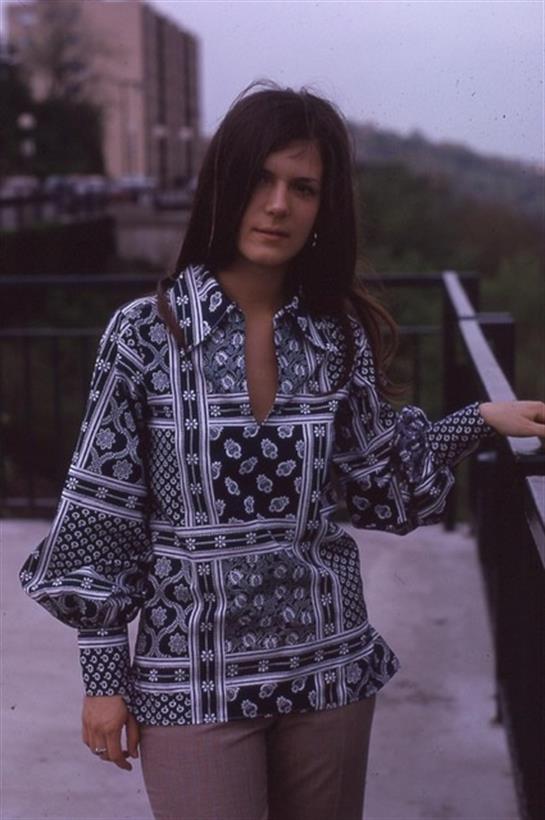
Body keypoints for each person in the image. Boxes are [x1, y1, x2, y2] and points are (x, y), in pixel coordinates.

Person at [19, 81, 545, 820]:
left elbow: (381, 483)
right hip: (190, 675)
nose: (277, 206)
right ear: (223, 188)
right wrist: (103, 678)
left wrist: (477, 420)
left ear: (324, 209)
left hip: (329, 665)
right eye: (259, 180)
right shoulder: (145, 335)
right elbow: (102, 512)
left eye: (303, 188)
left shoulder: (336, 336)